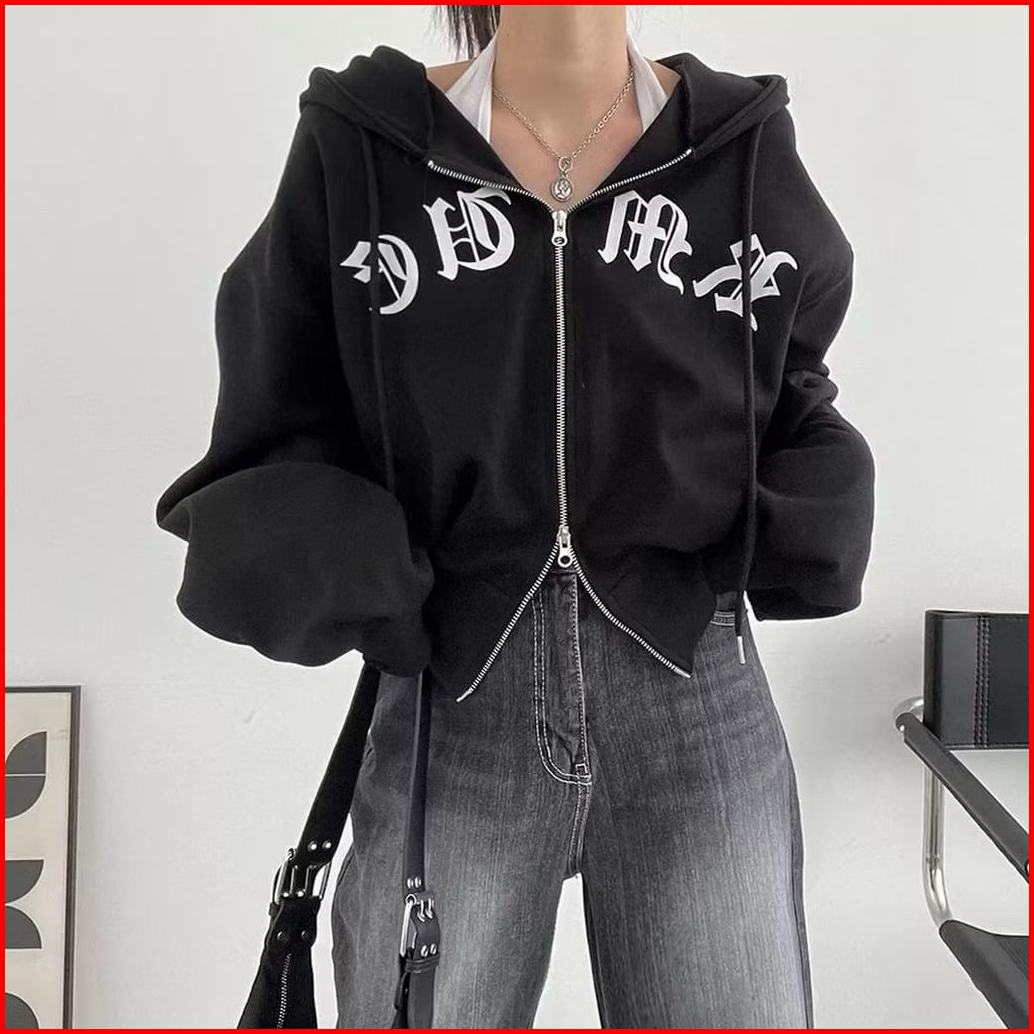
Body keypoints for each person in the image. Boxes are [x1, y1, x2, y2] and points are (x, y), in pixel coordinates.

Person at [155, 4, 876, 1028]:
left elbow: (790, 370)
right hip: (458, 692)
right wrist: (373, 580)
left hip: (691, 689)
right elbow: (282, 395)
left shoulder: (735, 147)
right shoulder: (365, 143)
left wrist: (797, 516)